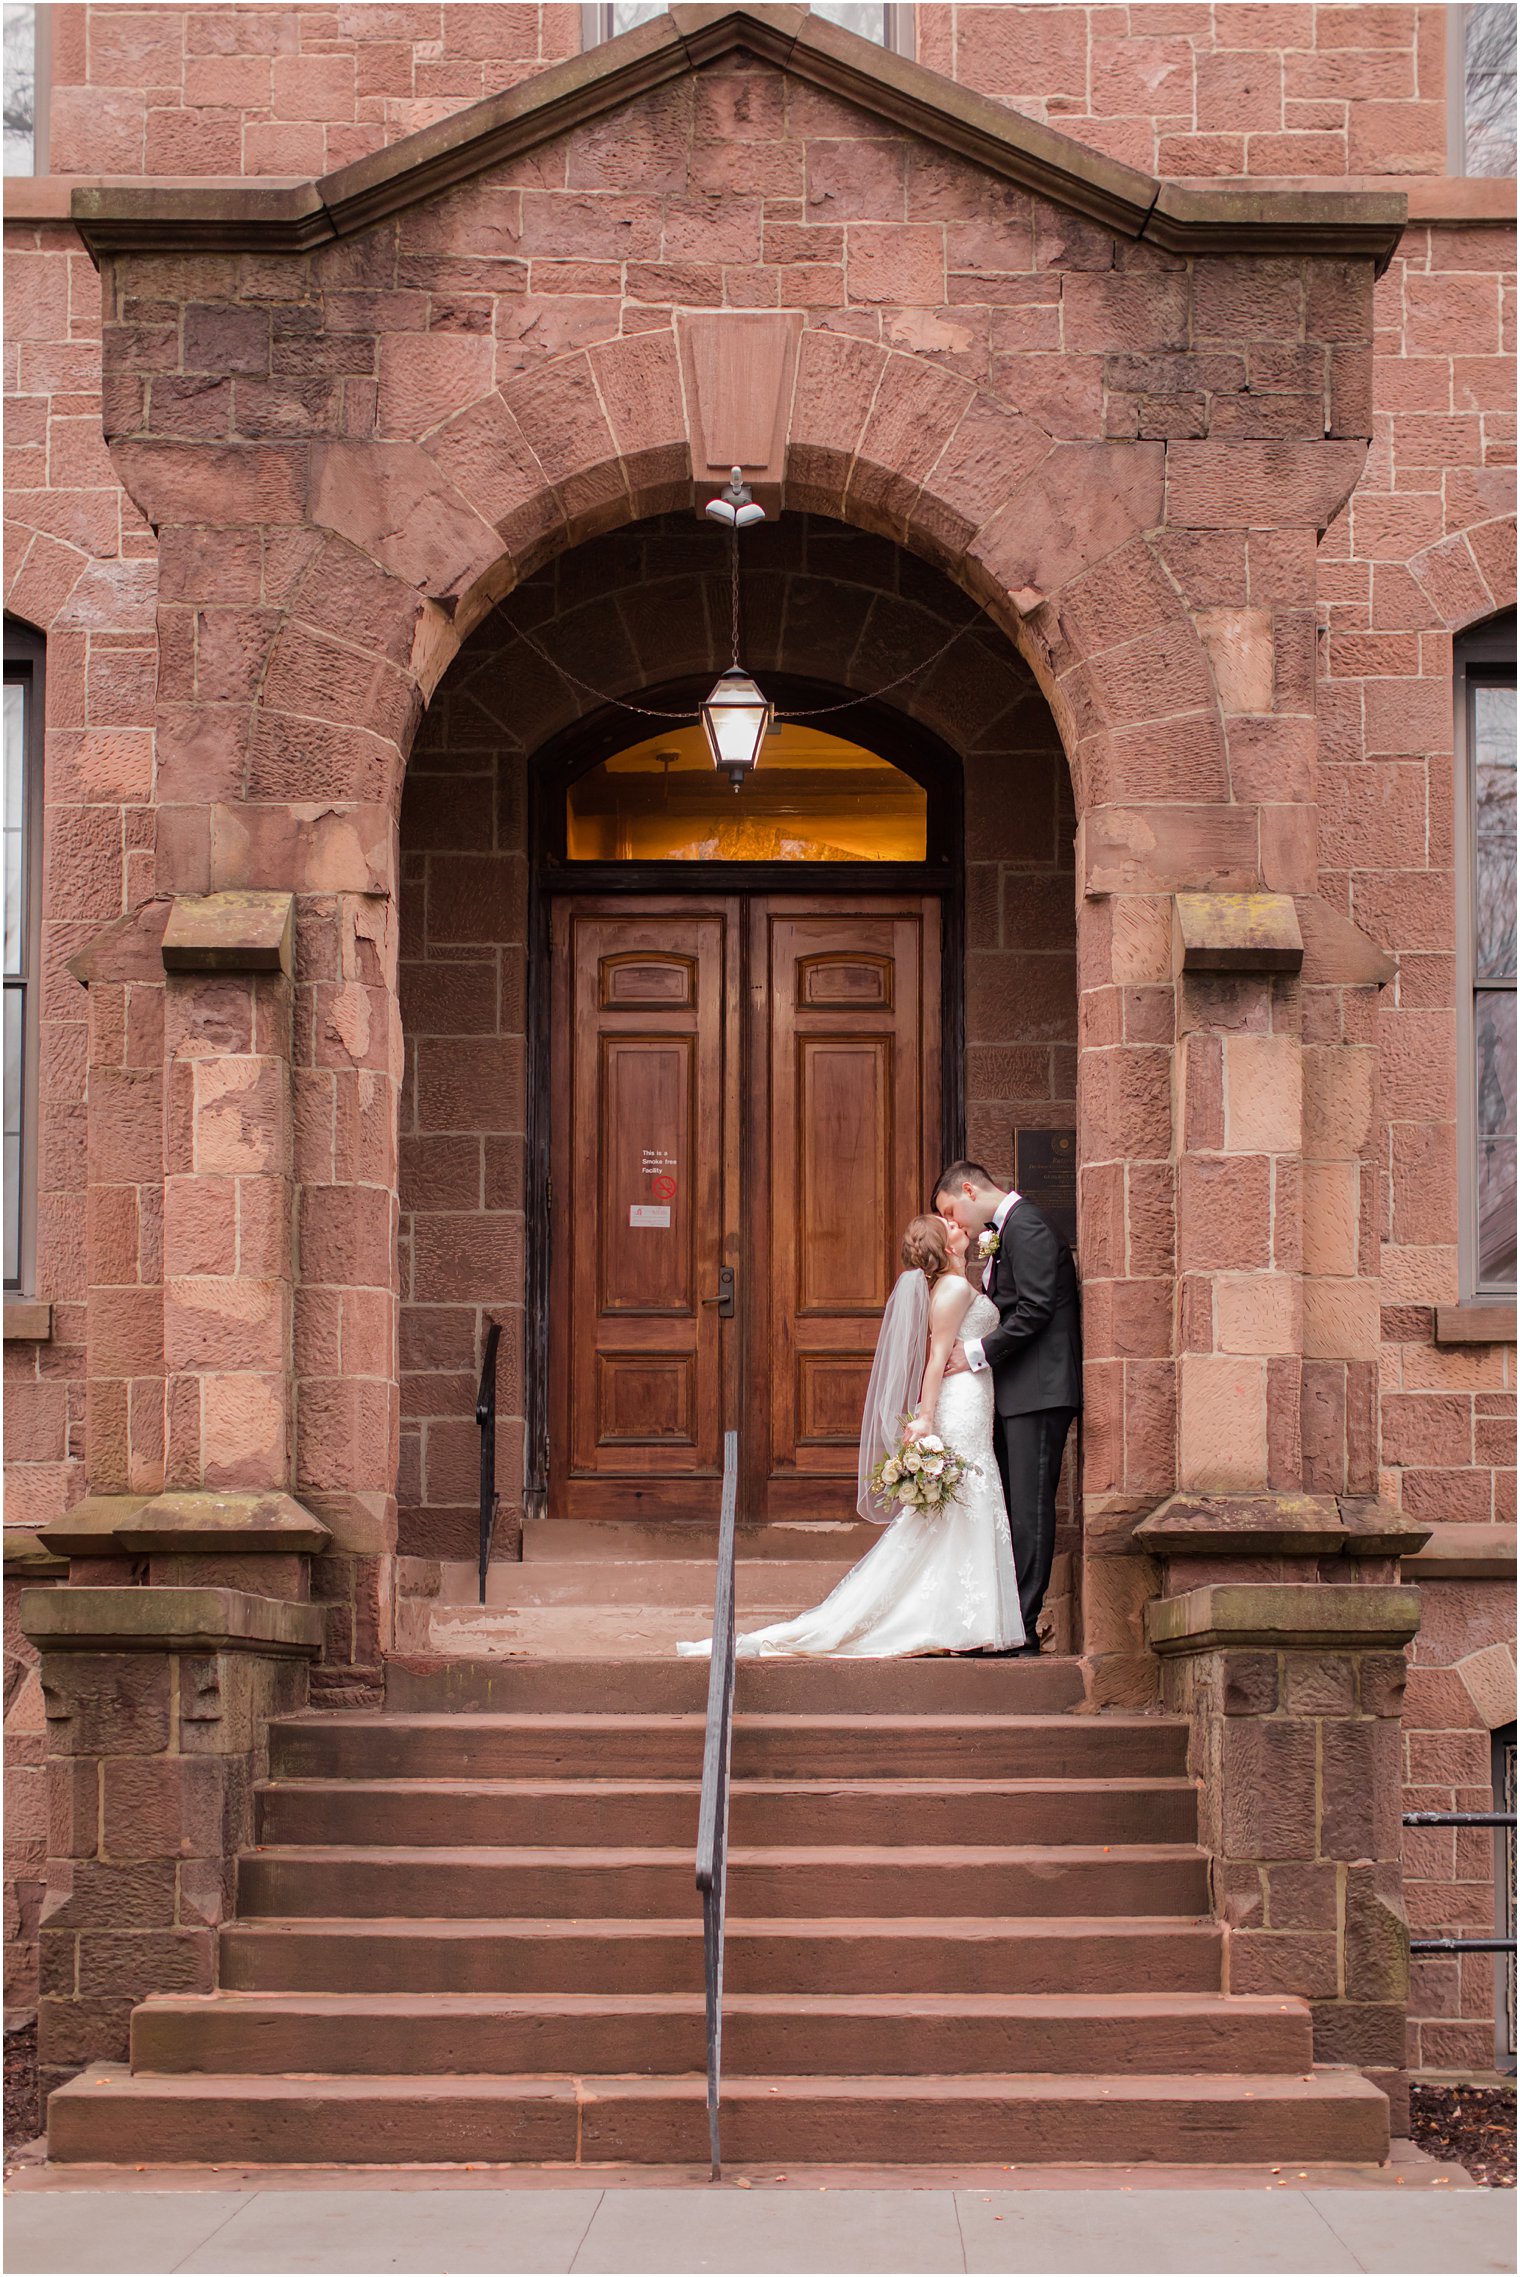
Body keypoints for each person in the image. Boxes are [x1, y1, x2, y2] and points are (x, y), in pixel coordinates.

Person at [677, 1213, 1023, 1659]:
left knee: (962, 1504)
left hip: (973, 1397)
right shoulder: (954, 1289)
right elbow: (937, 1356)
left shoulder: (954, 1284)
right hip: (959, 1402)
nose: (959, 1224)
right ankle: (951, 1621)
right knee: (963, 1499)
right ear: (947, 1244)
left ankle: (958, 1619)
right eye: (950, 1223)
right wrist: (925, 1416)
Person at [934, 1159, 1081, 1655]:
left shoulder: (1030, 1225)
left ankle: (1022, 1627)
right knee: (1013, 1506)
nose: (957, 1224)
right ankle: (1005, 1621)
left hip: (1039, 1392)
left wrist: (975, 1353)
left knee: (1030, 1509)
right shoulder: (1009, 1229)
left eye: (954, 1210)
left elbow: (1037, 1308)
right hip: (1017, 1391)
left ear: (970, 1190)